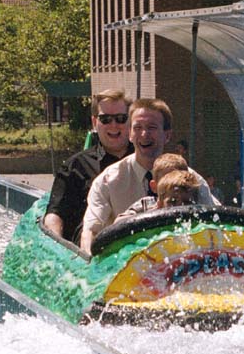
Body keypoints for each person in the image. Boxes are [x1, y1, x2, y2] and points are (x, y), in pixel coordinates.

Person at [81, 98, 218, 254]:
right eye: (138, 128)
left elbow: (217, 223)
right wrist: (89, 262)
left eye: (152, 127)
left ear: (167, 135)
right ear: (130, 134)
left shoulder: (192, 181)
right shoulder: (107, 181)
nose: (144, 134)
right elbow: (90, 231)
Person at [43, 89, 133, 243]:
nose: (113, 125)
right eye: (105, 119)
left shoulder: (144, 161)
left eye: (120, 118)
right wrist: (56, 246)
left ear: (130, 120)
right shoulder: (75, 166)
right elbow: (55, 214)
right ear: (94, 122)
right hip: (90, 250)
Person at [114, 153, 188, 222]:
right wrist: (148, 216)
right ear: (154, 187)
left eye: (179, 180)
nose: (173, 186)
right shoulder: (147, 204)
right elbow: (119, 222)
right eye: (166, 182)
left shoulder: (190, 200)